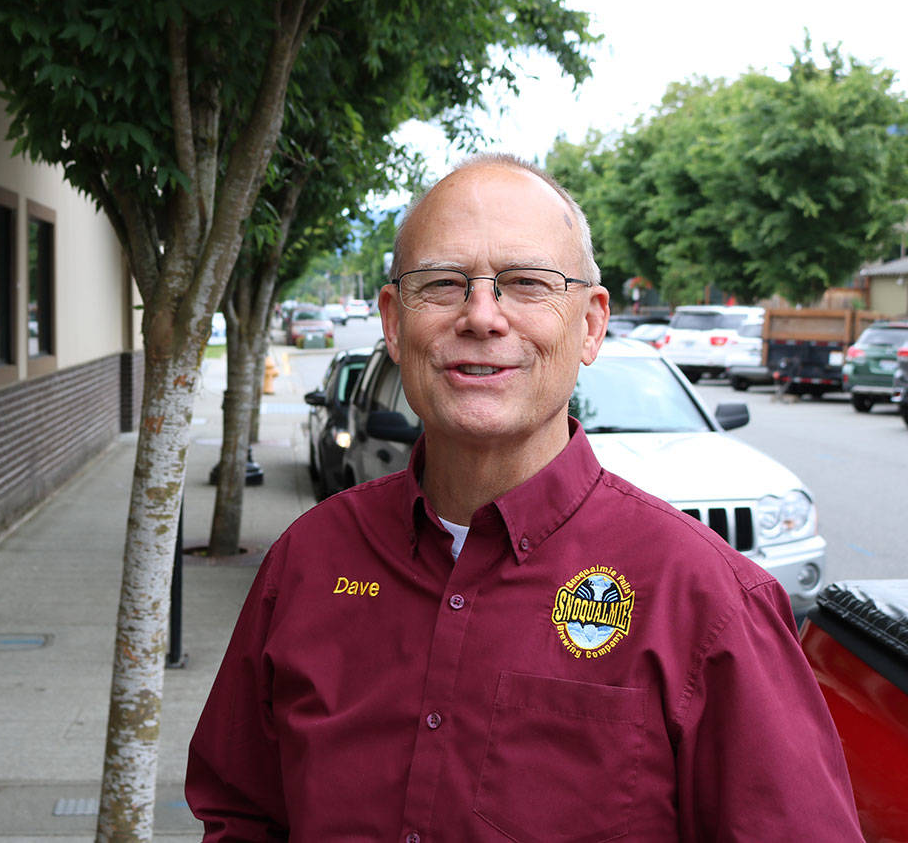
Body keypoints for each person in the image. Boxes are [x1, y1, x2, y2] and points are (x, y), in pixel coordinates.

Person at [186, 154, 860, 841]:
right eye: (443, 283)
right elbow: (241, 812)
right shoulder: (308, 560)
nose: (483, 316)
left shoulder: (707, 603)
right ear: (393, 321)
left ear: (592, 324)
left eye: (527, 283)